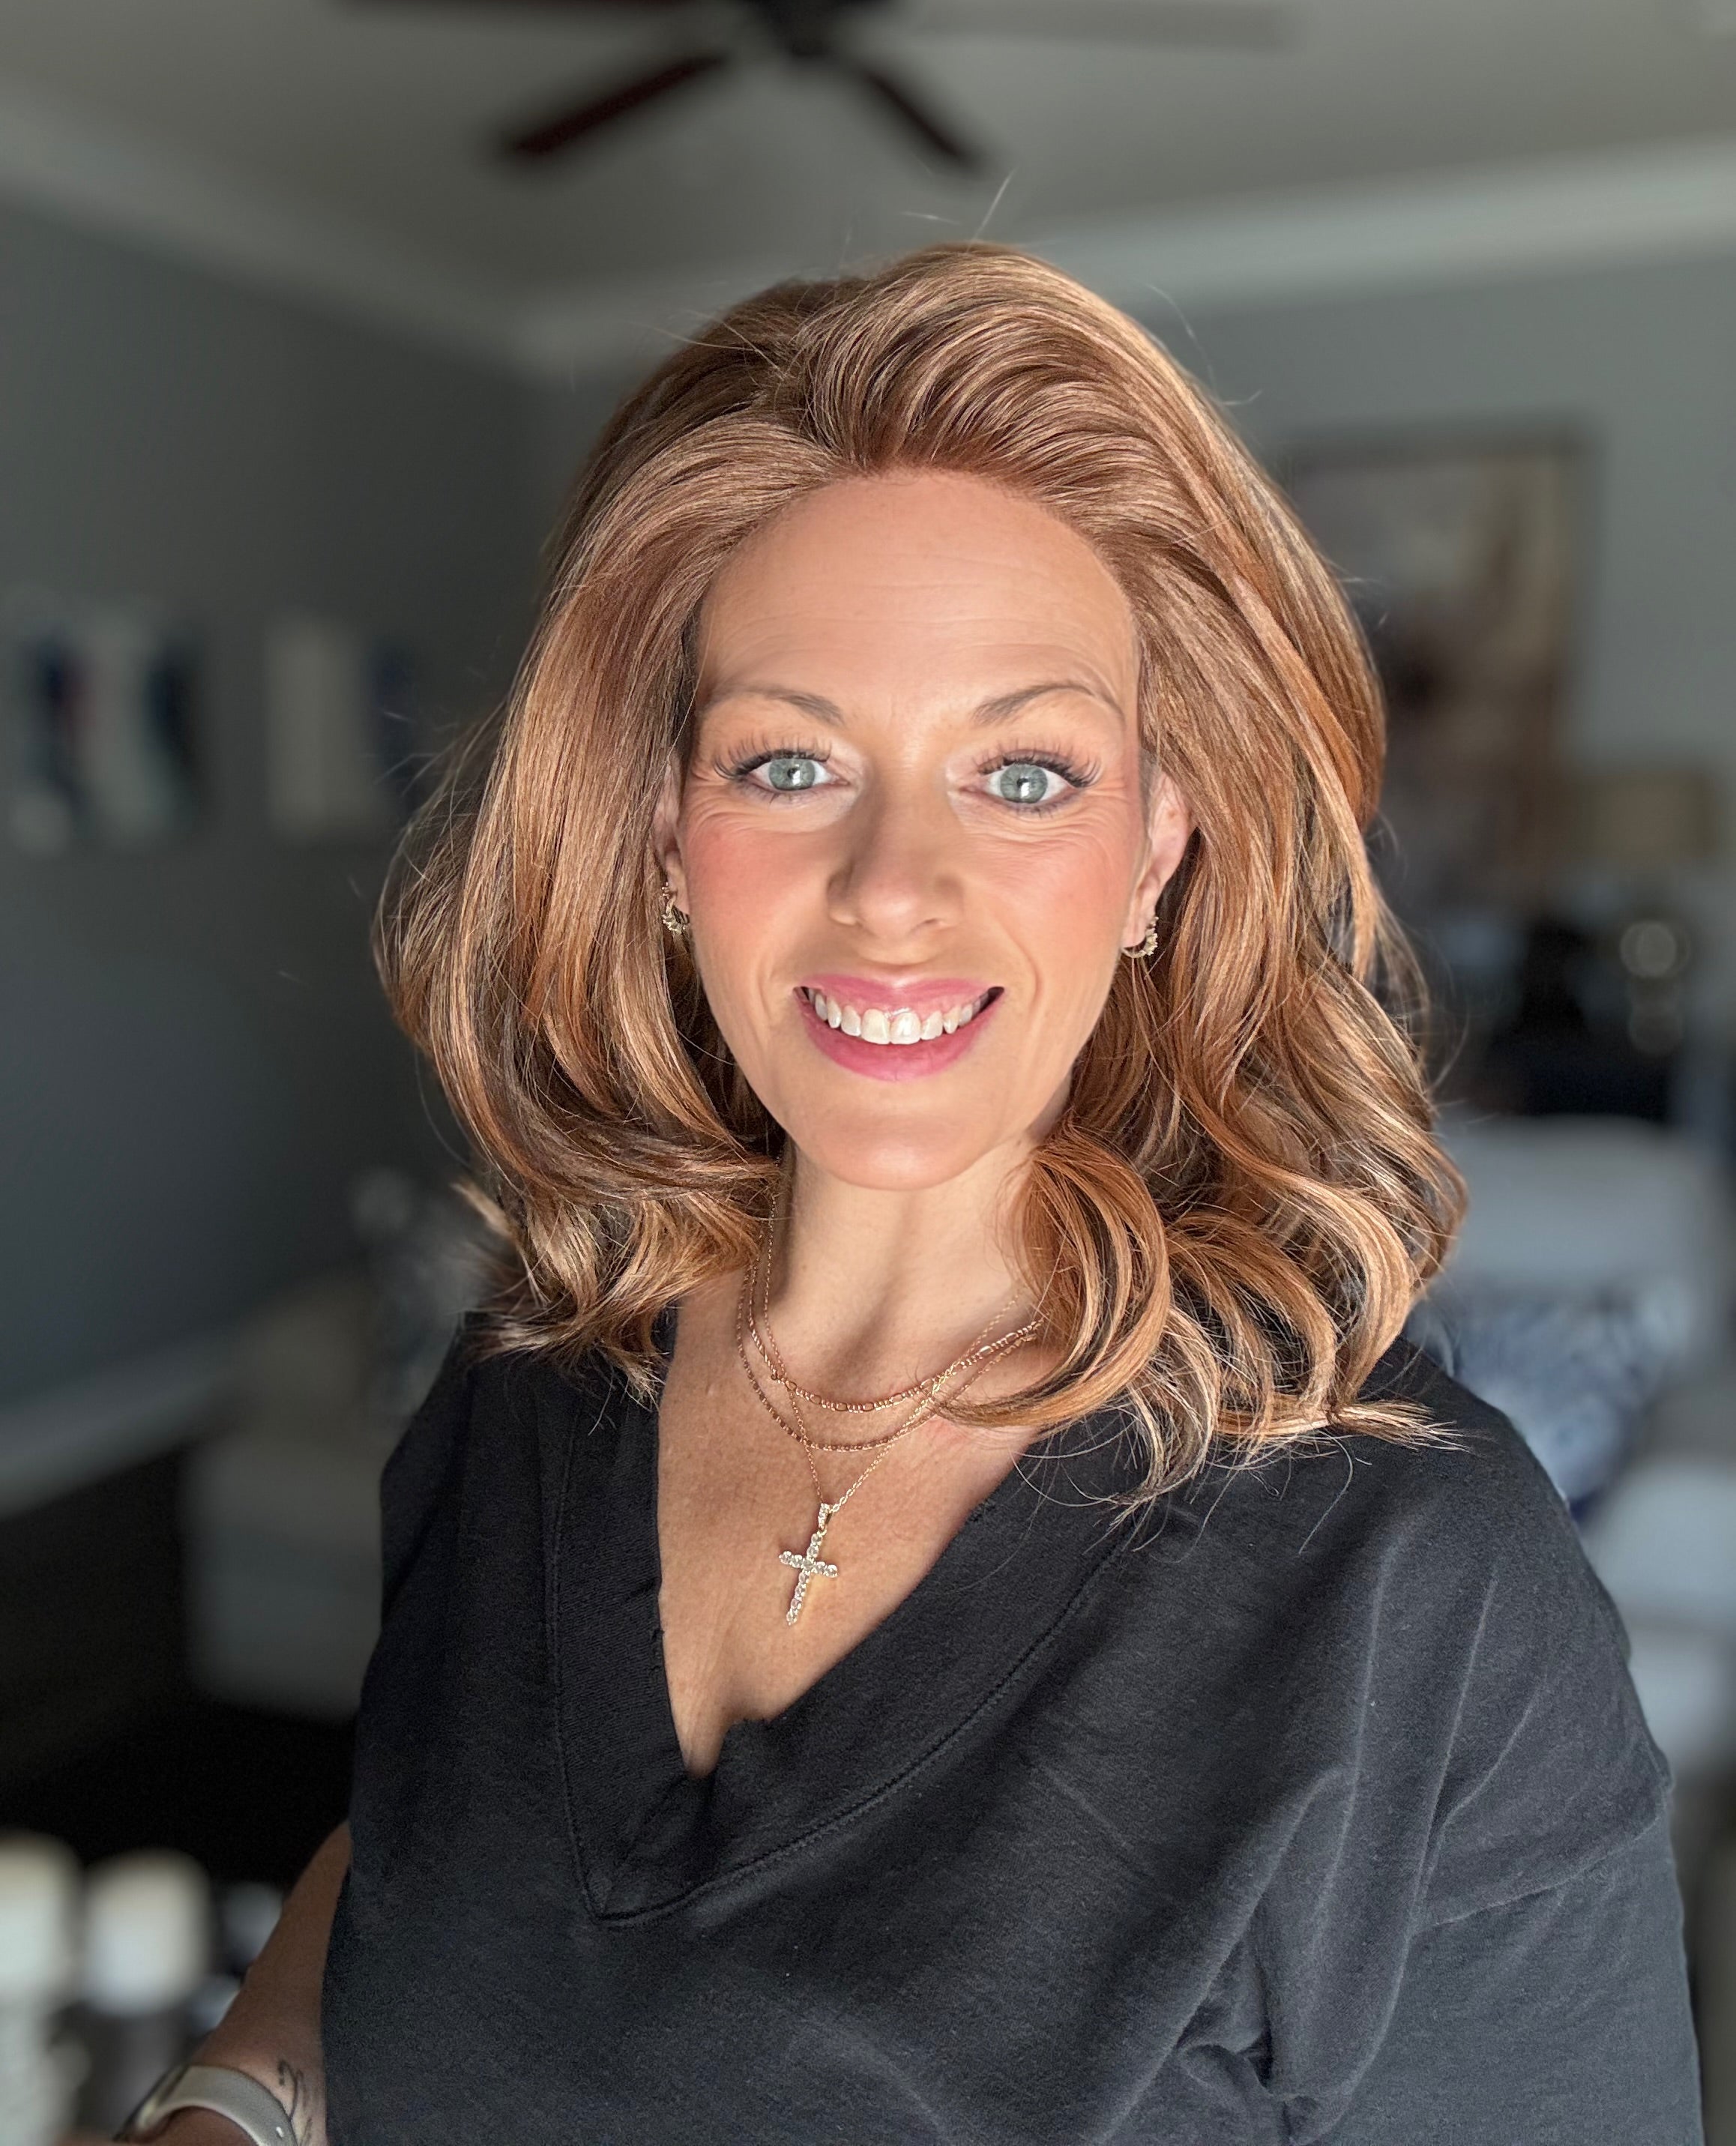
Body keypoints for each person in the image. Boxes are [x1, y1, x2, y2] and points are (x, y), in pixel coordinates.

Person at [121, 244, 1702, 2145]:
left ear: (1155, 853)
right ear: (666, 840)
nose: (892, 886)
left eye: (1022, 774)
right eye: (790, 760)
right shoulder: (529, 1380)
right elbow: (413, 1872)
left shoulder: (1420, 1589)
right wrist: (228, 2102)